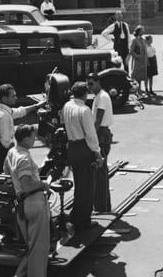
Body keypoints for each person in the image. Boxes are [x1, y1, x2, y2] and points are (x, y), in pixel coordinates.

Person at [3, 125, 50, 277]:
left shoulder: (11, 152)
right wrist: (43, 184)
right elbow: (27, 184)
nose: (35, 139)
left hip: (21, 204)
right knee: (39, 248)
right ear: (24, 139)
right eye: (32, 137)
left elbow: (7, 172)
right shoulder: (24, 158)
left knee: (31, 247)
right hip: (33, 202)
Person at [61, 82, 103, 233]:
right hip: (83, 148)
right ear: (85, 94)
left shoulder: (67, 106)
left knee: (79, 183)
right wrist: (97, 151)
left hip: (71, 148)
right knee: (86, 187)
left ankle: (75, 215)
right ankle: (83, 220)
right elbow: (90, 134)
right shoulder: (84, 110)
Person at [0, 84, 45, 173]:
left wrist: (36, 106)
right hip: (2, 151)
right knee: (4, 179)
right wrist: (20, 152)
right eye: (13, 96)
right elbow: (6, 142)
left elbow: (19, 112)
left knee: (0, 178)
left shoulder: (2, 110)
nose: (16, 98)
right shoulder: (4, 115)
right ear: (4, 98)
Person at [87, 73, 114, 213]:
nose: (89, 87)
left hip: (101, 134)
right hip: (100, 133)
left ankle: (102, 206)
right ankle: (101, 205)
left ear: (98, 82)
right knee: (99, 171)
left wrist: (92, 137)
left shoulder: (102, 97)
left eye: (91, 84)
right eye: (88, 84)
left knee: (100, 171)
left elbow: (99, 118)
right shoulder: (98, 96)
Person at [129, 25, 148, 97]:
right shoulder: (134, 40)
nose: (143, 32)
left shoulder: (143, 39)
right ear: (138, 31)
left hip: (143, 61)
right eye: (142, 30)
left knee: (140, 77)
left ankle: (139, 92)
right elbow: (131, 51)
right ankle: (136, 92)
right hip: (137, 61)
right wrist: (137, 56)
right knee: (136, 77)